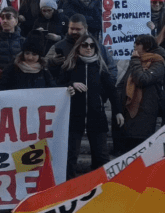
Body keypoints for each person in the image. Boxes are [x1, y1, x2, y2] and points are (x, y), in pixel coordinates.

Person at [59, 33, 119, 179]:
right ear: (78, 47)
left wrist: (118, 111)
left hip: (96, 118)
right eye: (85, 45)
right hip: (74, 118)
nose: (88, 48)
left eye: (92, 45)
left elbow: (112, 91)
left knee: (101, 157)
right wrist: (70, 85)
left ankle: (101, 188)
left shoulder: (100, 68)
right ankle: (69, 189)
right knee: (70, 157)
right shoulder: (69, 67)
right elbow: (57, 86)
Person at [116, 35, 165, 154]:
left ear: (147, 47)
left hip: (145, 113)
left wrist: (135, 61)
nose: (135, 46)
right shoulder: (136, 61)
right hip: (128, 112)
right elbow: (122, 84)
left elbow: (142, 79)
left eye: (138, 44)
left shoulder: (158, 63)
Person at [46, 13, 117, 83]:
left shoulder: (98, 47)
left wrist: (108, 86)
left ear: (86, 28)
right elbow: (44, 68)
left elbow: (111, 67)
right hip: (69, 92)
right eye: (72, 28)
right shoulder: (58, 47)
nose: (74, 31)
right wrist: (52, 62)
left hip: (96, 92)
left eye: (78, 29)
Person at [0, 31, 56, 96]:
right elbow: (0, 83)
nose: (30, 57)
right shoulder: (13, 68)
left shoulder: (44, 71)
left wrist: (65, 92)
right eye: (27, 53)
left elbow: (54, 89)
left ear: (39, 56)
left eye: (34, 54)